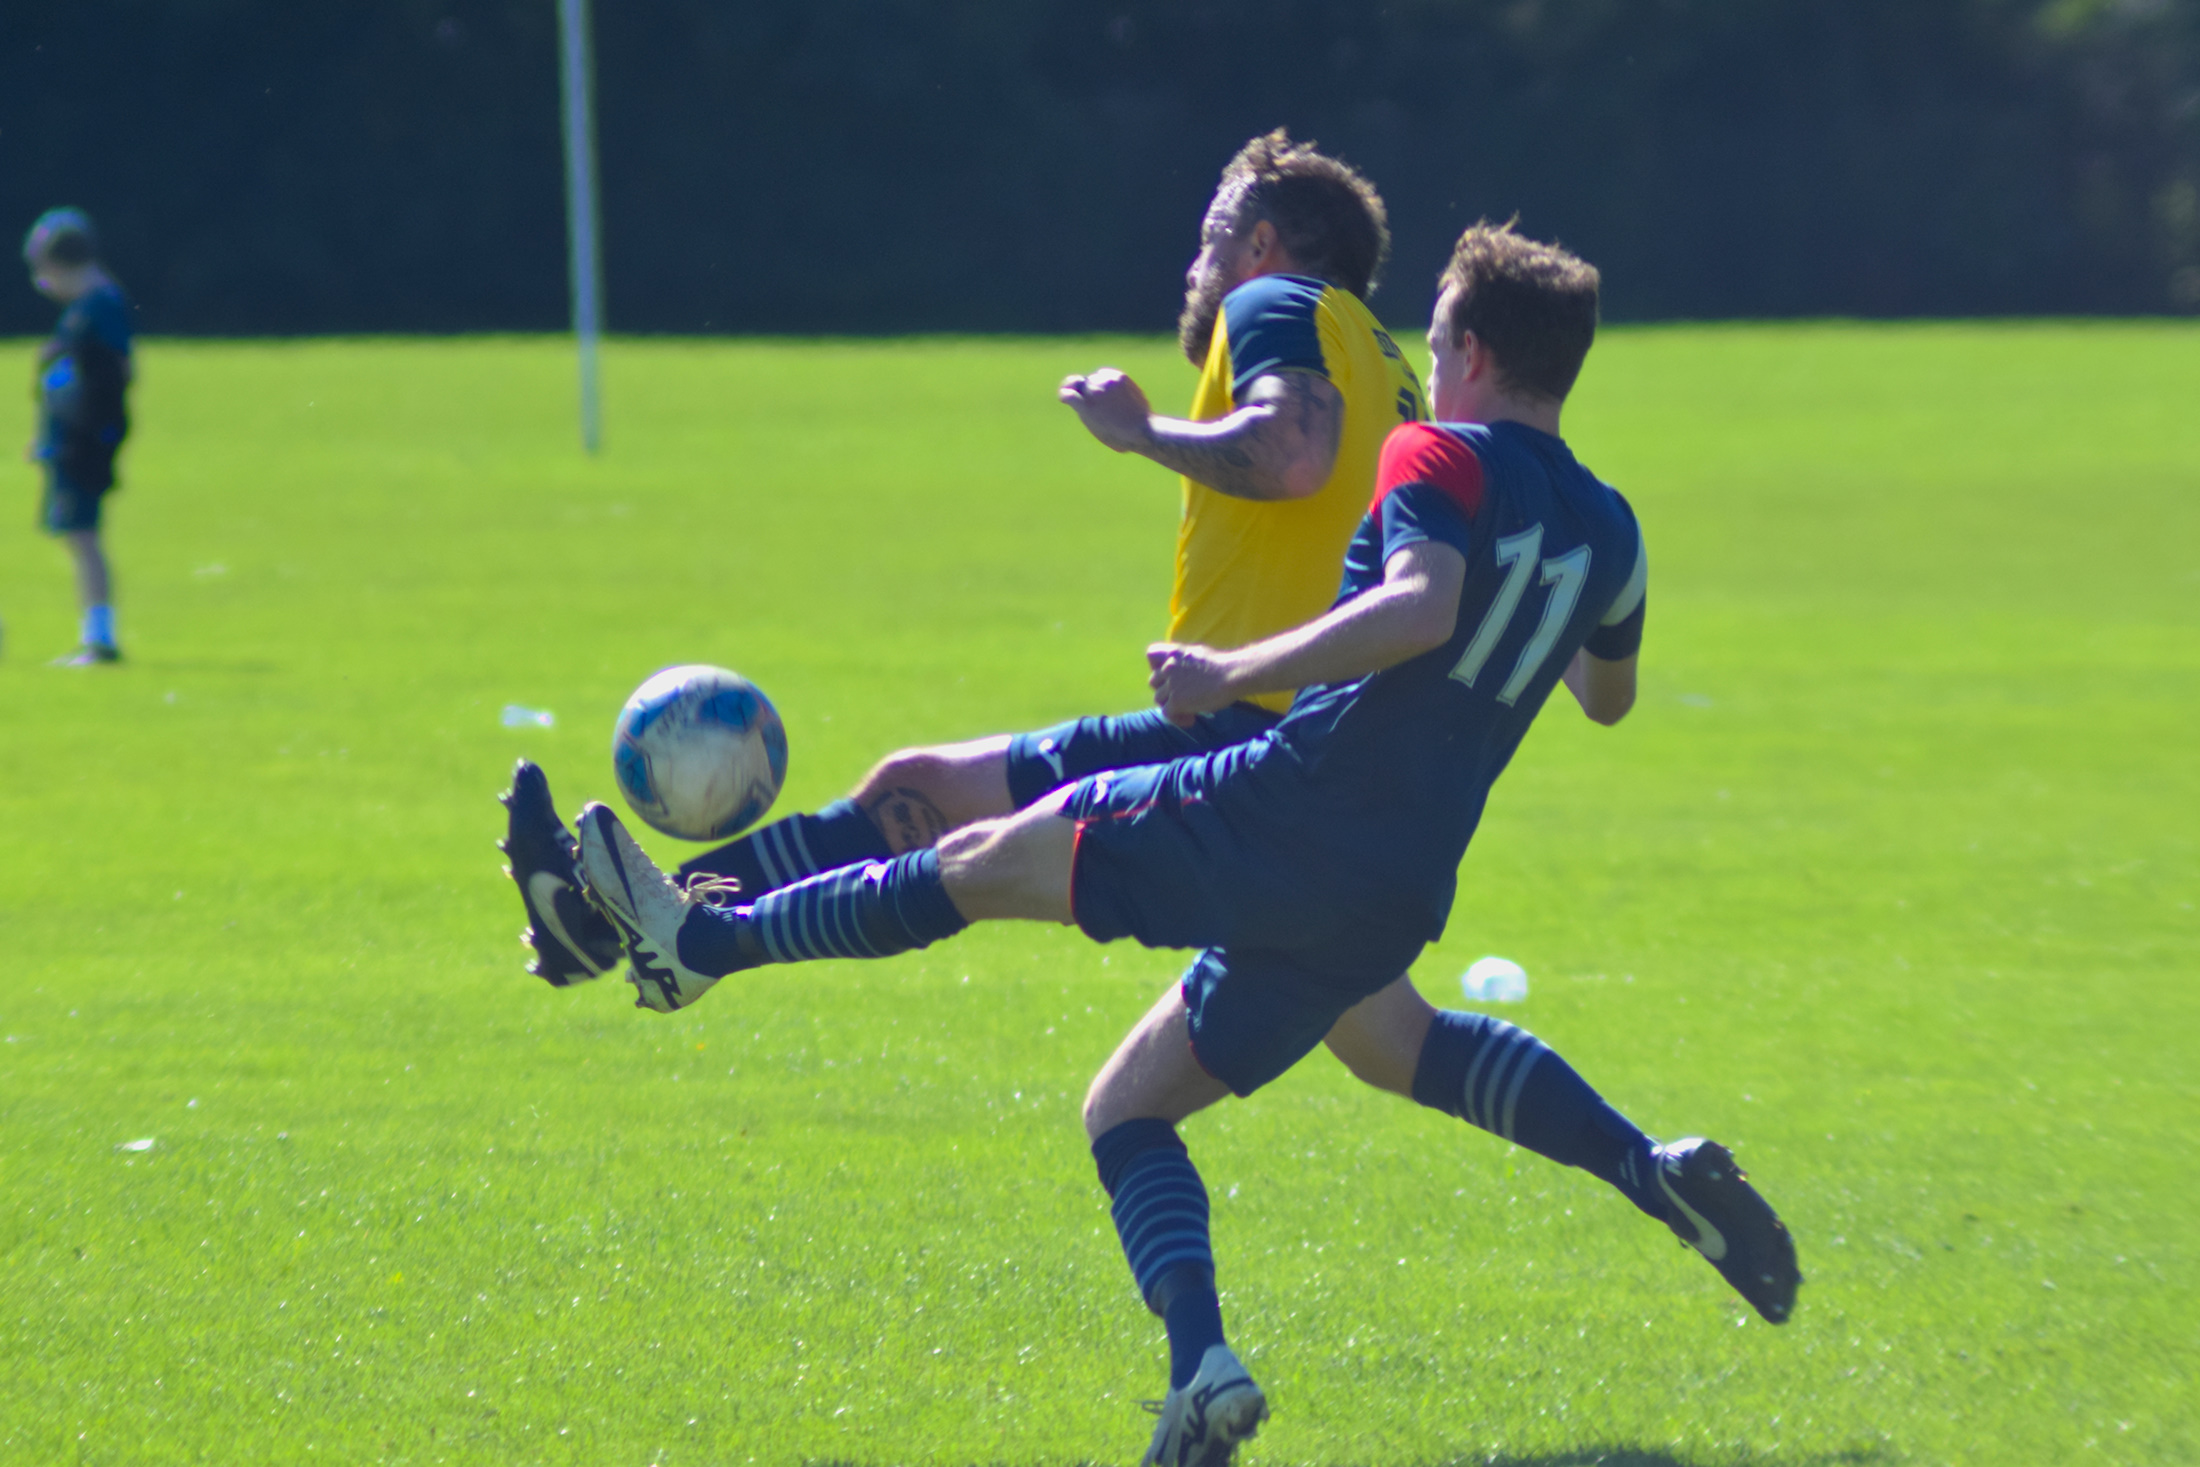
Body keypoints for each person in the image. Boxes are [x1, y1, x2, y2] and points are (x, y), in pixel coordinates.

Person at [560, 223, 1801, 1466]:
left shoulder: (1435, 451)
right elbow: (1608, 694)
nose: (1432, 357)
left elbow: (1418, 608)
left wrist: (1230, 669)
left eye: (1435, 336)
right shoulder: (1613, 527)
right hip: (1396, 884)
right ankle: (1231, 1358)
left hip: (1288, 807)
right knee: (1160, 1100)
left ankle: (706, 938)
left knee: (989, 858)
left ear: (1469, 348)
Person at [505, 128, 1452, 1088]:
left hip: (1254, 740)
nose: (1195, 263)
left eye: (1212, 238)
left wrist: (1140, 432)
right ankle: (608, 922)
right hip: (1318, 749)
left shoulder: (1275, 300)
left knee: (972, 874)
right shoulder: (1390, 368)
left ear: (1258, 244)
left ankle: (678, 939)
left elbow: (1292, 454)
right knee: (920, 793)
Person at [22, 208, 134, 666]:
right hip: (73, 442)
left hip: (83, 445)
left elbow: (104, 383)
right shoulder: (87, 311)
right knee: (77, 534)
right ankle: (96, 635)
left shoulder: (99, 310)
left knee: (83, 535)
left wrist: (77, 438)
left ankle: (100, 639)